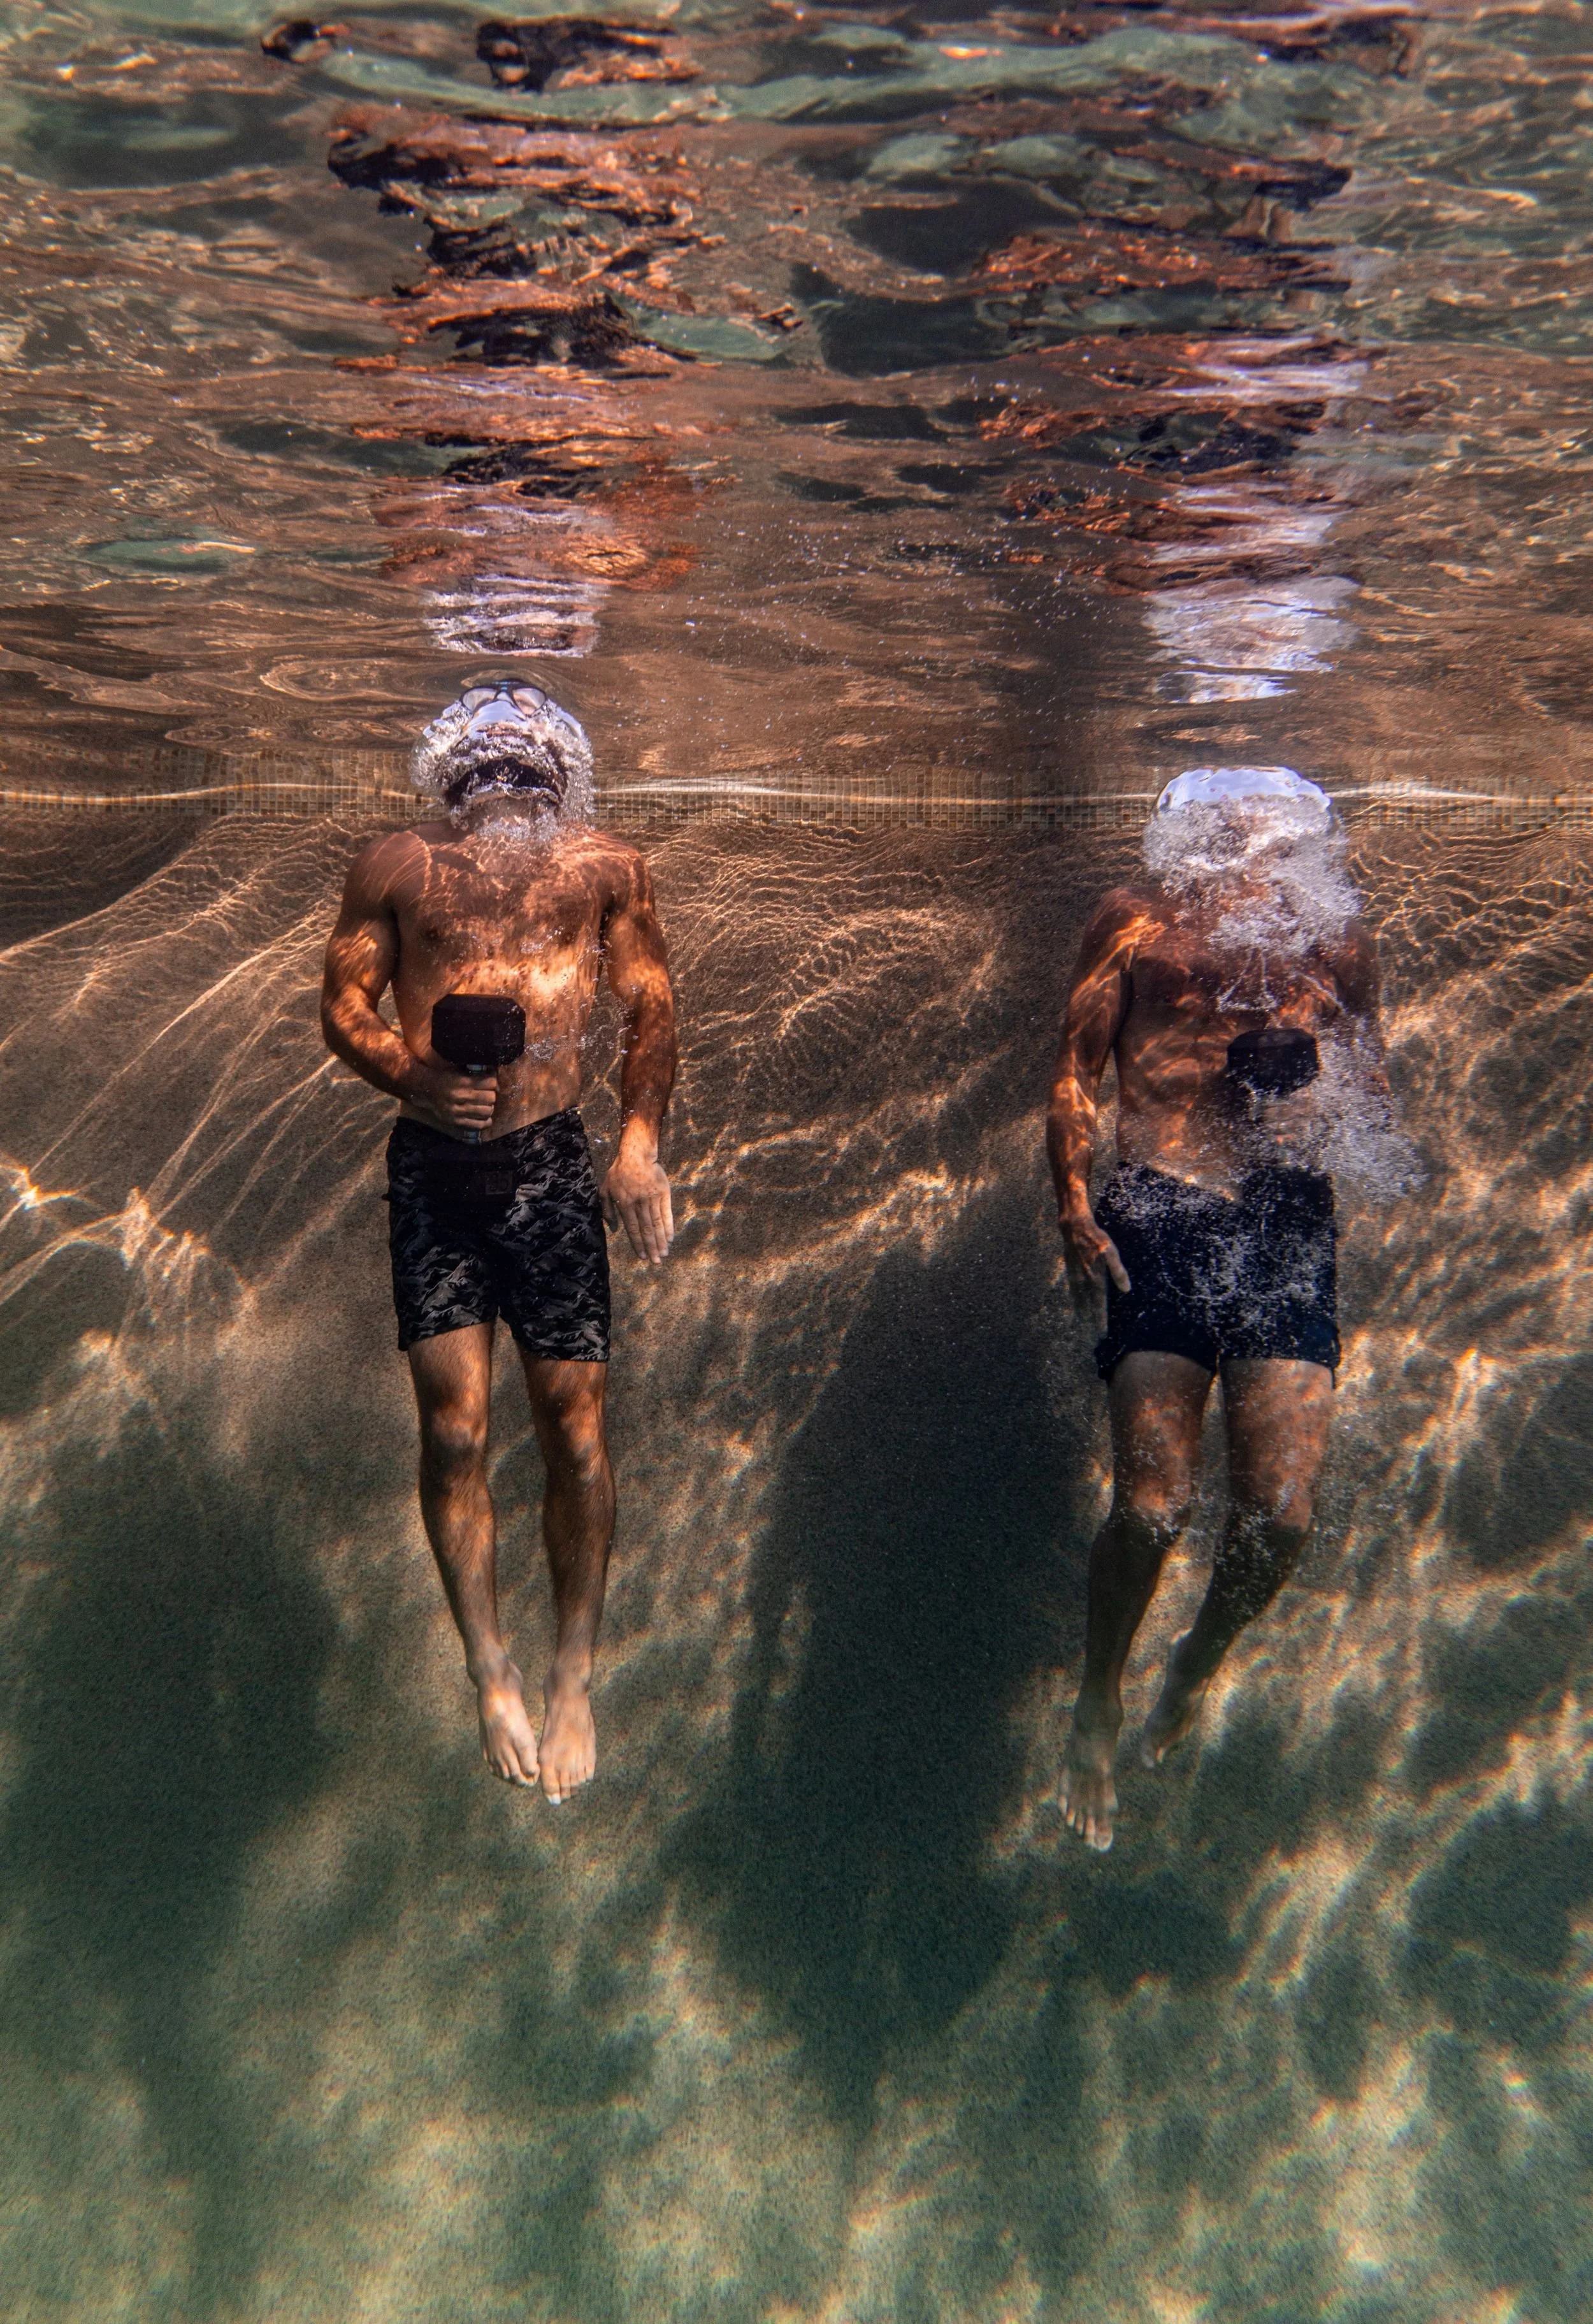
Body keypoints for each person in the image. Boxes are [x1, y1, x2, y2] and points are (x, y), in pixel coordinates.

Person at [321, 680, 677, 1803]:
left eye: (529, 760)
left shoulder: (607, 865)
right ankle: (488, 1663)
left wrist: (638, 1145)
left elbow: (651, 999)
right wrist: (412, 1074)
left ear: (559, 773)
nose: (507, 775)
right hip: (434, 1167)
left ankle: (574, 1665)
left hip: (550, 1163)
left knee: (574, 1430)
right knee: (456, 1428)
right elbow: (342, 1003)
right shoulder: (393, 863)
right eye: (488, 759)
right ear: (452, 773)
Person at [1046, 766, 1390, 1852]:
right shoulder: (1135, 921)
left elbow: (1376, 1088)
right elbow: (1073, 1073)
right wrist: (1070, 1204)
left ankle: (1197, 1658)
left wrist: (1324, 1101)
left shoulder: (1336, 940)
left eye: (1272, 819)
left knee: (1280, 1522)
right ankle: (1100, 1687)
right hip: (1159, 1203)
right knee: (1154, 1506)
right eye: (1225, 815)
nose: (1248, 835)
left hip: (1287, 1217)